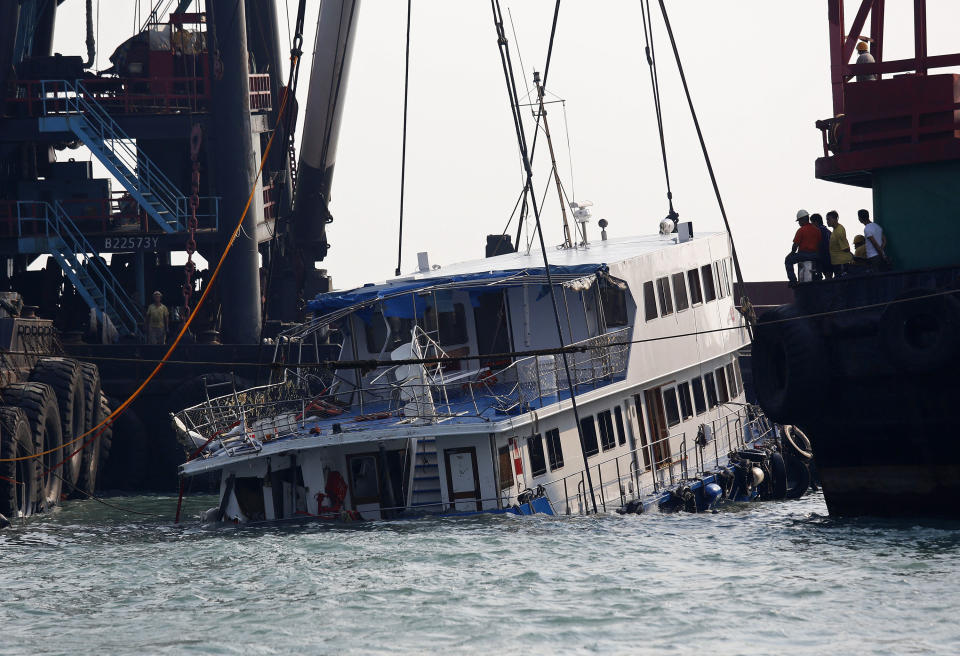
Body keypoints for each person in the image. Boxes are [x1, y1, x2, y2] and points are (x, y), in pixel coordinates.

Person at [785, 209, 821, 284]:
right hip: (815, 255)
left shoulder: (801, 230)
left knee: (788, 260)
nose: (799, 223)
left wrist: (792, 253)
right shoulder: (817, 230)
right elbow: (819, 243)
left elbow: (795, 246)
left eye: (799, 221)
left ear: (803, 219)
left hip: (804, 255)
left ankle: (793, 280)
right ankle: (819, 276)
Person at [826, 210, 854, 275]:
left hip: (842, 263)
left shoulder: (839, 231)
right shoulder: (835, 230)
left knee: (842, 283)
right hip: (838, 263)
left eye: (828, 219)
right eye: (827, 220)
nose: (827, 222)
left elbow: (846, 248)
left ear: (835, 219)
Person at [810, 213, 832, 279]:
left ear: (816, 222)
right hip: (830, 258)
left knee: (823, 278)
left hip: (824, 258)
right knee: (829, 277)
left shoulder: (818, 231)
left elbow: (821, 246)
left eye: (812, 222)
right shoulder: (828, 231)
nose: (811, 225)